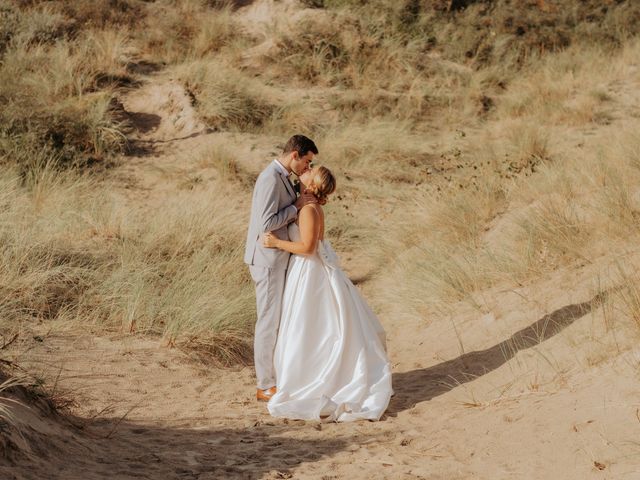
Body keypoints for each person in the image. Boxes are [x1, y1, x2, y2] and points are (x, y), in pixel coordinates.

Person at [263, 166, 393, 422]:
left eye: (311, 170)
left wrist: (276, 243)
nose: (306, 170)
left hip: (310, 272)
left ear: (312, 184)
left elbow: (308, 247)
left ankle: (312, 381)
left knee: (309, 327)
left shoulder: (309, 210)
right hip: (306, 271)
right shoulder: (306, 206)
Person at [244, 135, 318, 402]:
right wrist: (296, 206)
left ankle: (277, 377)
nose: (307, 167)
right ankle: (265, 385)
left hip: (277, 259)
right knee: (268, 322)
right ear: (295, 155)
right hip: (267, 260)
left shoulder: (283, 177)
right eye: (307, 161)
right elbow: (266, 223)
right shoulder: (270, 178)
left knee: (276, 321)